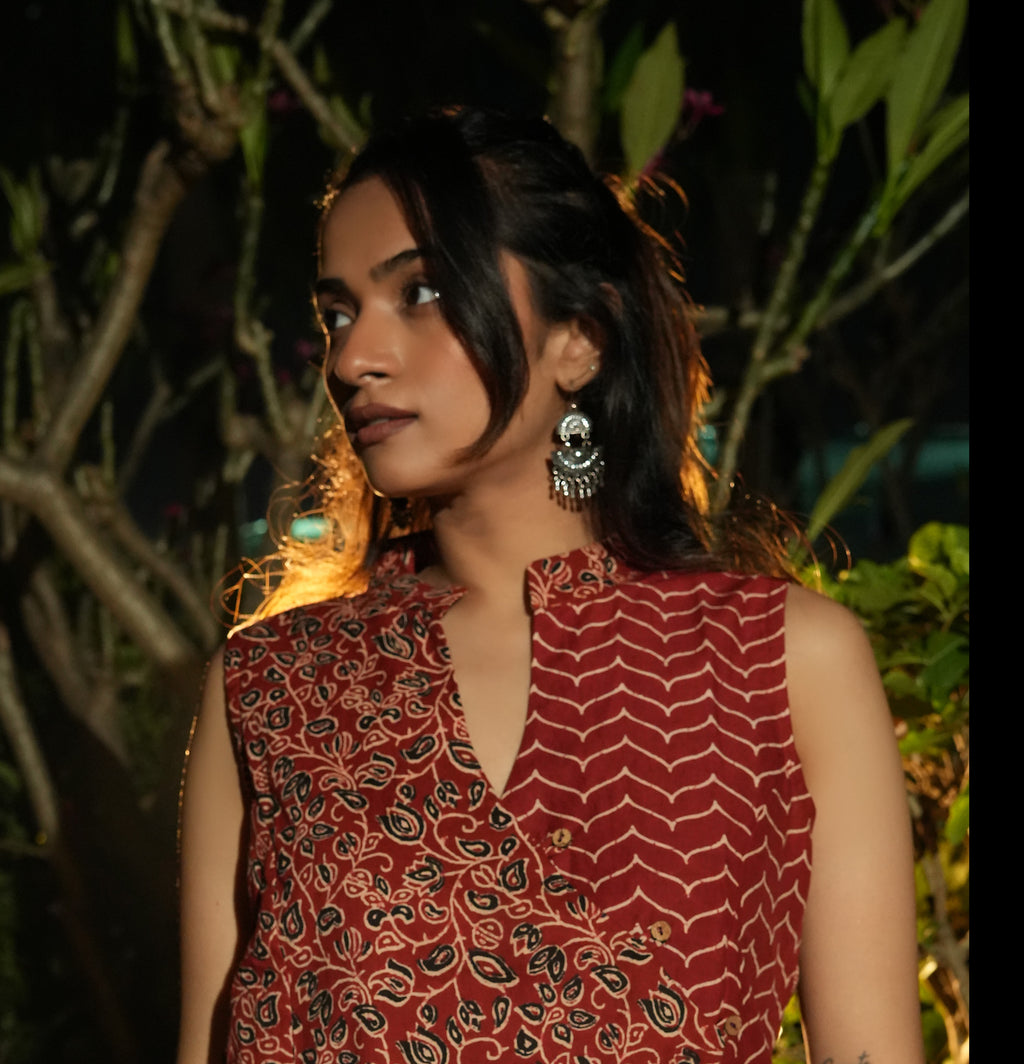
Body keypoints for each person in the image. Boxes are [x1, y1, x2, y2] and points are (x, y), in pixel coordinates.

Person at [177, 106, 923, 1064]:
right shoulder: (272, 689)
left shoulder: (783, 662)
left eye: (422, 293)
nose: (353, 357)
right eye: (337, 312)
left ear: (581, 337)